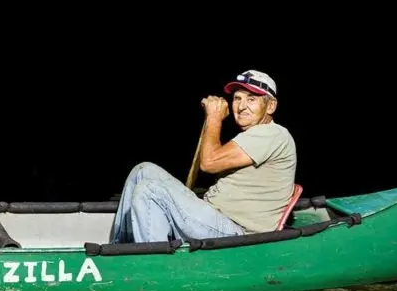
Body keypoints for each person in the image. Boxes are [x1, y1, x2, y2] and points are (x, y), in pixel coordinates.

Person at [109, 69, 296, 243]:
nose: (241, 106)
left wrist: (213, 117)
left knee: (150, 190)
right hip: (215, 217)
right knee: (143, 170)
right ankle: (121, 247)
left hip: (238, 233)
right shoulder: (252, 136)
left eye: (251, 99)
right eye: (237, 98)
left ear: (271, 106)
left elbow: (209, 163)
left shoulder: (273, 134)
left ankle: (153, 266)